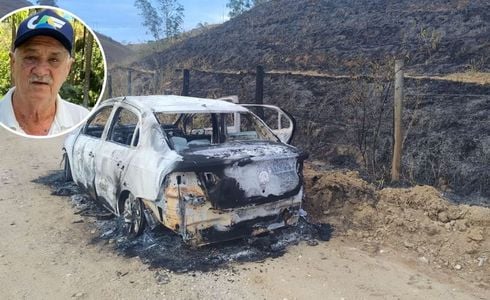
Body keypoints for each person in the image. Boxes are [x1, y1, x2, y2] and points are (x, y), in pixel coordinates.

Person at [0, 9, 89, 136]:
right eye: (31, 57)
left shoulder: (82, 121)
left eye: (53, 60)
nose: (41, 71)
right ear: (13, 63)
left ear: (68, 68)